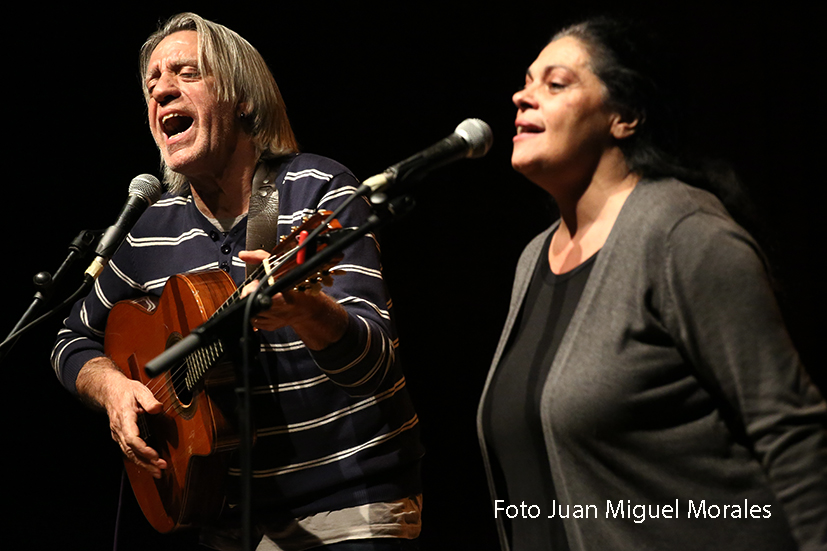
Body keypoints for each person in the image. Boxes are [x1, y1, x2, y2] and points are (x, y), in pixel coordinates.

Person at [51, 12, 423, 551]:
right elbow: (71, 337)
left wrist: (308, 311)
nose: (162, 92)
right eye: (152, 84)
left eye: (187, 73)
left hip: (348, 505)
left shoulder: (316, 189)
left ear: (244, 99)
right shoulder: (149, 227)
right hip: (222, 521)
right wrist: (113, 390)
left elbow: (375, 365)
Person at [477, 16, 827, 551]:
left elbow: (791, 433)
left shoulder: (682, 235)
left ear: (625, 116)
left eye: (556, 83)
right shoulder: (533, 258)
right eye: (527, 82)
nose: (522, 97)